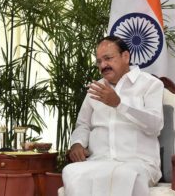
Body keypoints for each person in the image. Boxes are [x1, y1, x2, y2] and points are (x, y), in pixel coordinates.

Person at [62, 36, 164, 196]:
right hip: (99, 161)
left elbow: (155, 125)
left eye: (108, 58)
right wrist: (77, 143)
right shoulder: (96, 88)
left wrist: (119, 104)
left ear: (125, 56)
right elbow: (83, 124)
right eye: (99, 61)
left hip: (138, 162)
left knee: (124, 175)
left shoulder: (150, 84)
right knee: (72, 171)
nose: (103, 65)